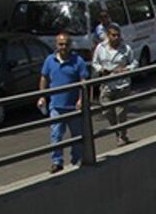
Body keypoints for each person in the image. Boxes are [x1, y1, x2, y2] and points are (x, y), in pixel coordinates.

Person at [36, 32, 89, 173]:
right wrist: (42, 96)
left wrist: (81, 99)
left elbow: (84, 82)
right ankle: (56, 161)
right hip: (56, 106)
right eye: (61, 44)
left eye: (66, 44)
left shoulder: (78, 61)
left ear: (70, 45)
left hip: (73, 106)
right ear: (56, 45)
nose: (63, 47)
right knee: (56, 135)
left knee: (76, 135)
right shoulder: (49, 60)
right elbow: (44, 78)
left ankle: (77, 158)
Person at [90, 24, 137, 145]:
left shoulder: (126, 48)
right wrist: (101, 69)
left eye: (118, 35)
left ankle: (122, 136)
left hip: (122, 84)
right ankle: (117, 130)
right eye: (113, 35)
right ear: (108, 36)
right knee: (106, 111)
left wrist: (127, 69)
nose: (116, 38)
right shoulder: (101, 47)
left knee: (121, 113)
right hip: (107, 84)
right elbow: (95, 63)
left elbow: (134, 63)